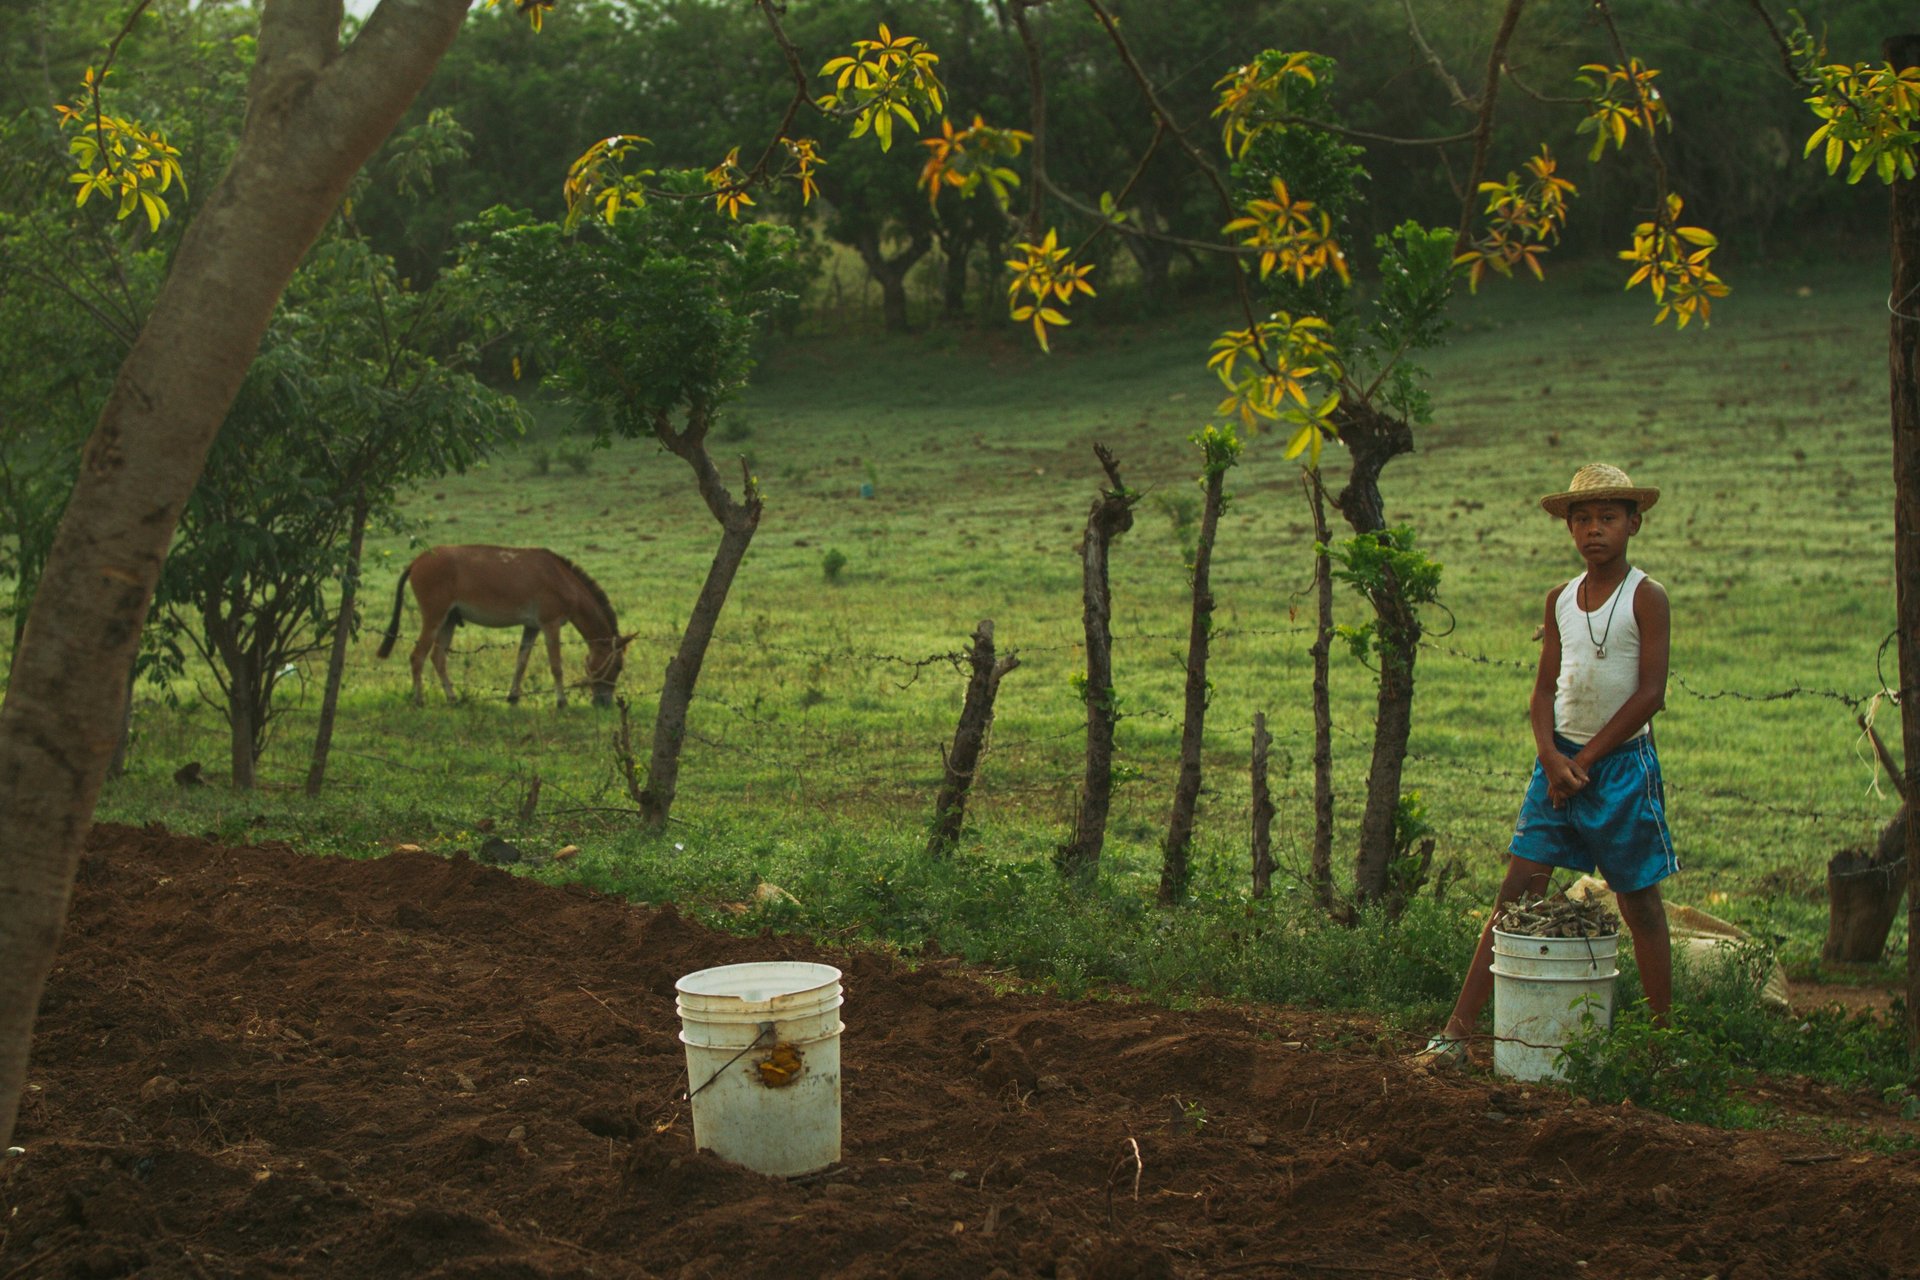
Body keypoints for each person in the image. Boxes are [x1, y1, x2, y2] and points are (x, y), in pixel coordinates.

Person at [1419, 462, 1676, 1066]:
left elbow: (1650, 694)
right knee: (1515, 895)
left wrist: (1582, 761)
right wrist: (1550, 757)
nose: (1594, 530)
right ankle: (1456, 1033)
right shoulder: (1560, 599)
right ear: (1568, 527)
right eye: (1582, 519)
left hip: (1620, 770)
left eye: (1608, 518)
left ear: (1634, 523)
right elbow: (1542, 691)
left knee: (1640, 903)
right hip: (1557, 767)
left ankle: (1665, 1044)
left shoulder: (1647, 596)